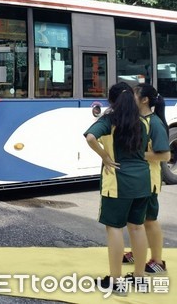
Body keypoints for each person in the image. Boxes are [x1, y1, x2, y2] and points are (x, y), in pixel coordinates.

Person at [83, 82, 152, 295]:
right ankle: (140, 278)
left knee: (114, 229)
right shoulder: (142, 121)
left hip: (118, 181)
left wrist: (105, 156)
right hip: (142, 180)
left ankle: (116, 281)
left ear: (111, 101)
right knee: (137, 227)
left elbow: (91, 137)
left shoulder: (109, 120)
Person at [121, 84, 170, 275]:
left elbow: (165, 156)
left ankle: (158, 261)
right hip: (137, 179)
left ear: (144, 100)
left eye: (134, 94)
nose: (130, 97)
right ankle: (137, 252)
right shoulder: (137, 119)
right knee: (136, 220)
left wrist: (139, 155)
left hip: (149, 180)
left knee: (149, 220)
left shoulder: (155, 123)